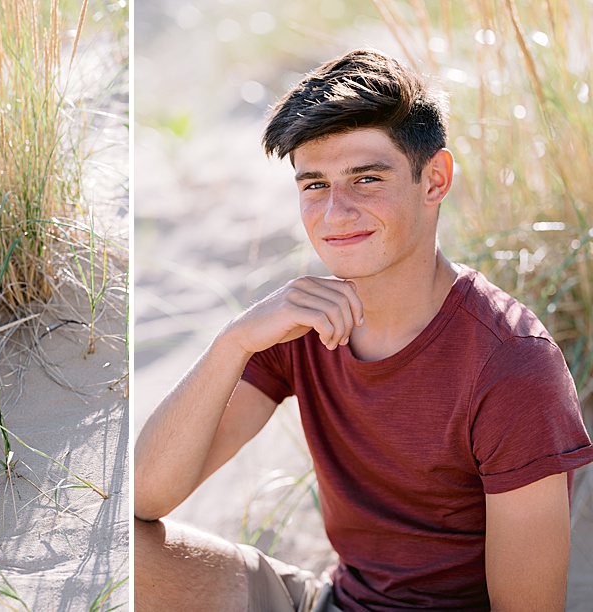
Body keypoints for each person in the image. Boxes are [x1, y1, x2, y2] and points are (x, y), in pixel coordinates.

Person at [134, 49, 593, 611]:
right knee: (129, 553)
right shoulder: (300, 324)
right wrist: (235, 341)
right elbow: (145, 496)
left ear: (435, 180)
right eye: (314, 185)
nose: (334, 213)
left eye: (366, 179)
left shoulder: (513, 363)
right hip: (333, 601)